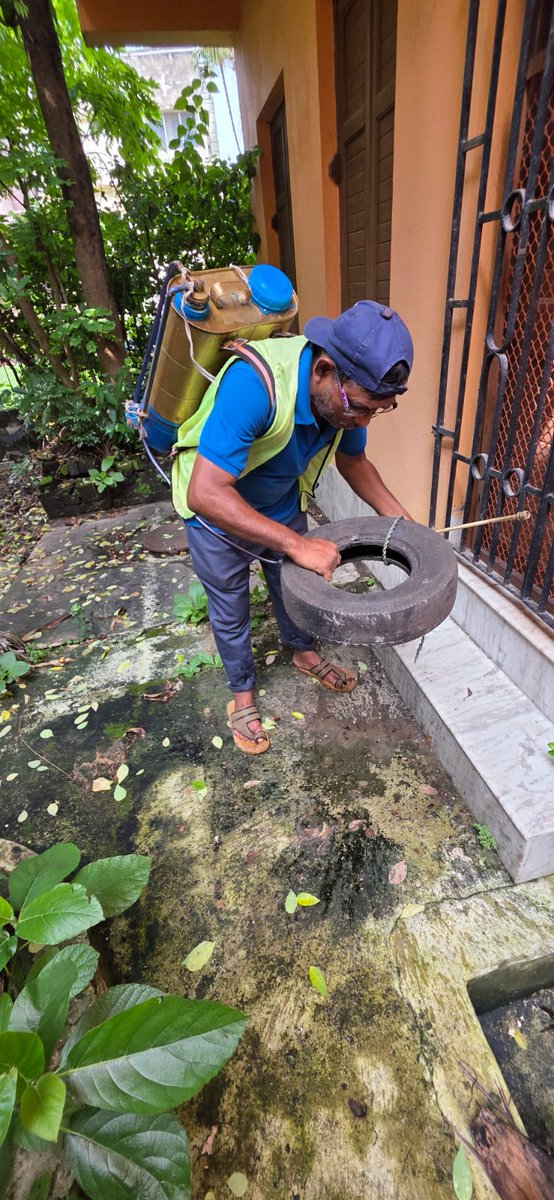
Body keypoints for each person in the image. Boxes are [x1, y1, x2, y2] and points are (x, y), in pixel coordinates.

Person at [172, 300, 414, 755]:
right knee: (230, 606)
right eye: (360, 408)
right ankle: (242, 694)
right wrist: (295, 544)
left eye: (376, 412)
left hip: (280, 499)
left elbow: (354, 460)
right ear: (324, 369)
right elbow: (204, 492)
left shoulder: (344, 398)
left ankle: (303, 652)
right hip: (217, 513)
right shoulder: (255, 385)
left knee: (293, 586)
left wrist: (402, 522)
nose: (362, 421)